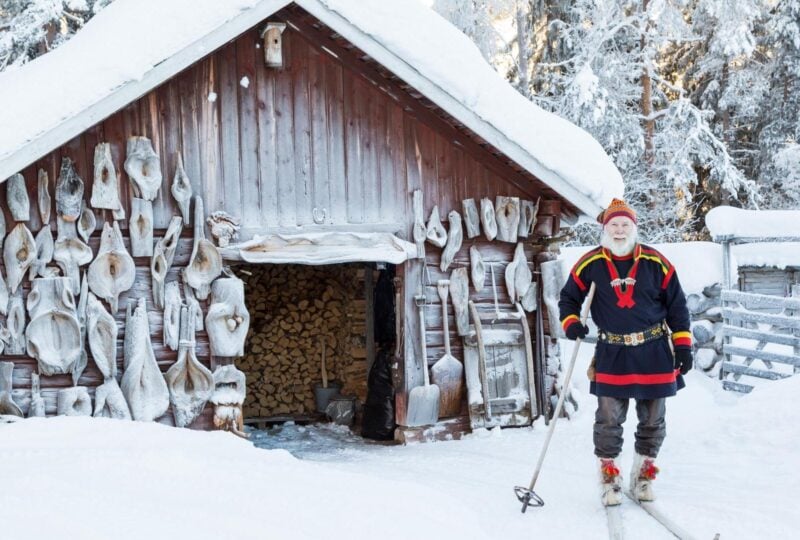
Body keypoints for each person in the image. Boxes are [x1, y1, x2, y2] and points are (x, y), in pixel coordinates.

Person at [558, 198, 693, 506]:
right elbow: (568, 298)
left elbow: (678, 306)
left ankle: (643, 478)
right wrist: (572, 323)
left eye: (625, 225)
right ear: (605, 229)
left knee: (653, 419)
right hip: (612, 352)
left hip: (655, 351)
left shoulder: (656, 262)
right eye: (614, 225)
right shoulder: (589, 262)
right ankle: (609, 480)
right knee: (608, 419)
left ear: (634, 228)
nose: (619, 231)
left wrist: (683, 345)